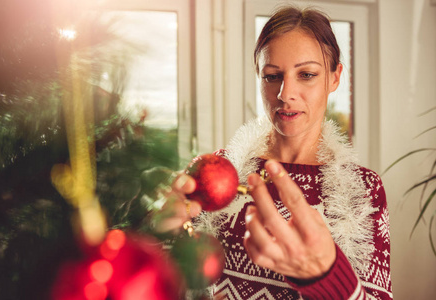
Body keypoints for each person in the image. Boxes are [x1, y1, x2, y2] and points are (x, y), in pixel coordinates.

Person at [162, 6, 392, 300]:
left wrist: (326, 275)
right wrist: (161, 235)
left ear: (335, 78)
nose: (285, 93)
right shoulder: (217, 173)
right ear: (259, 76)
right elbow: (169, 278)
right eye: (272, 76)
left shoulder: (363, 190)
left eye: (306, 74)